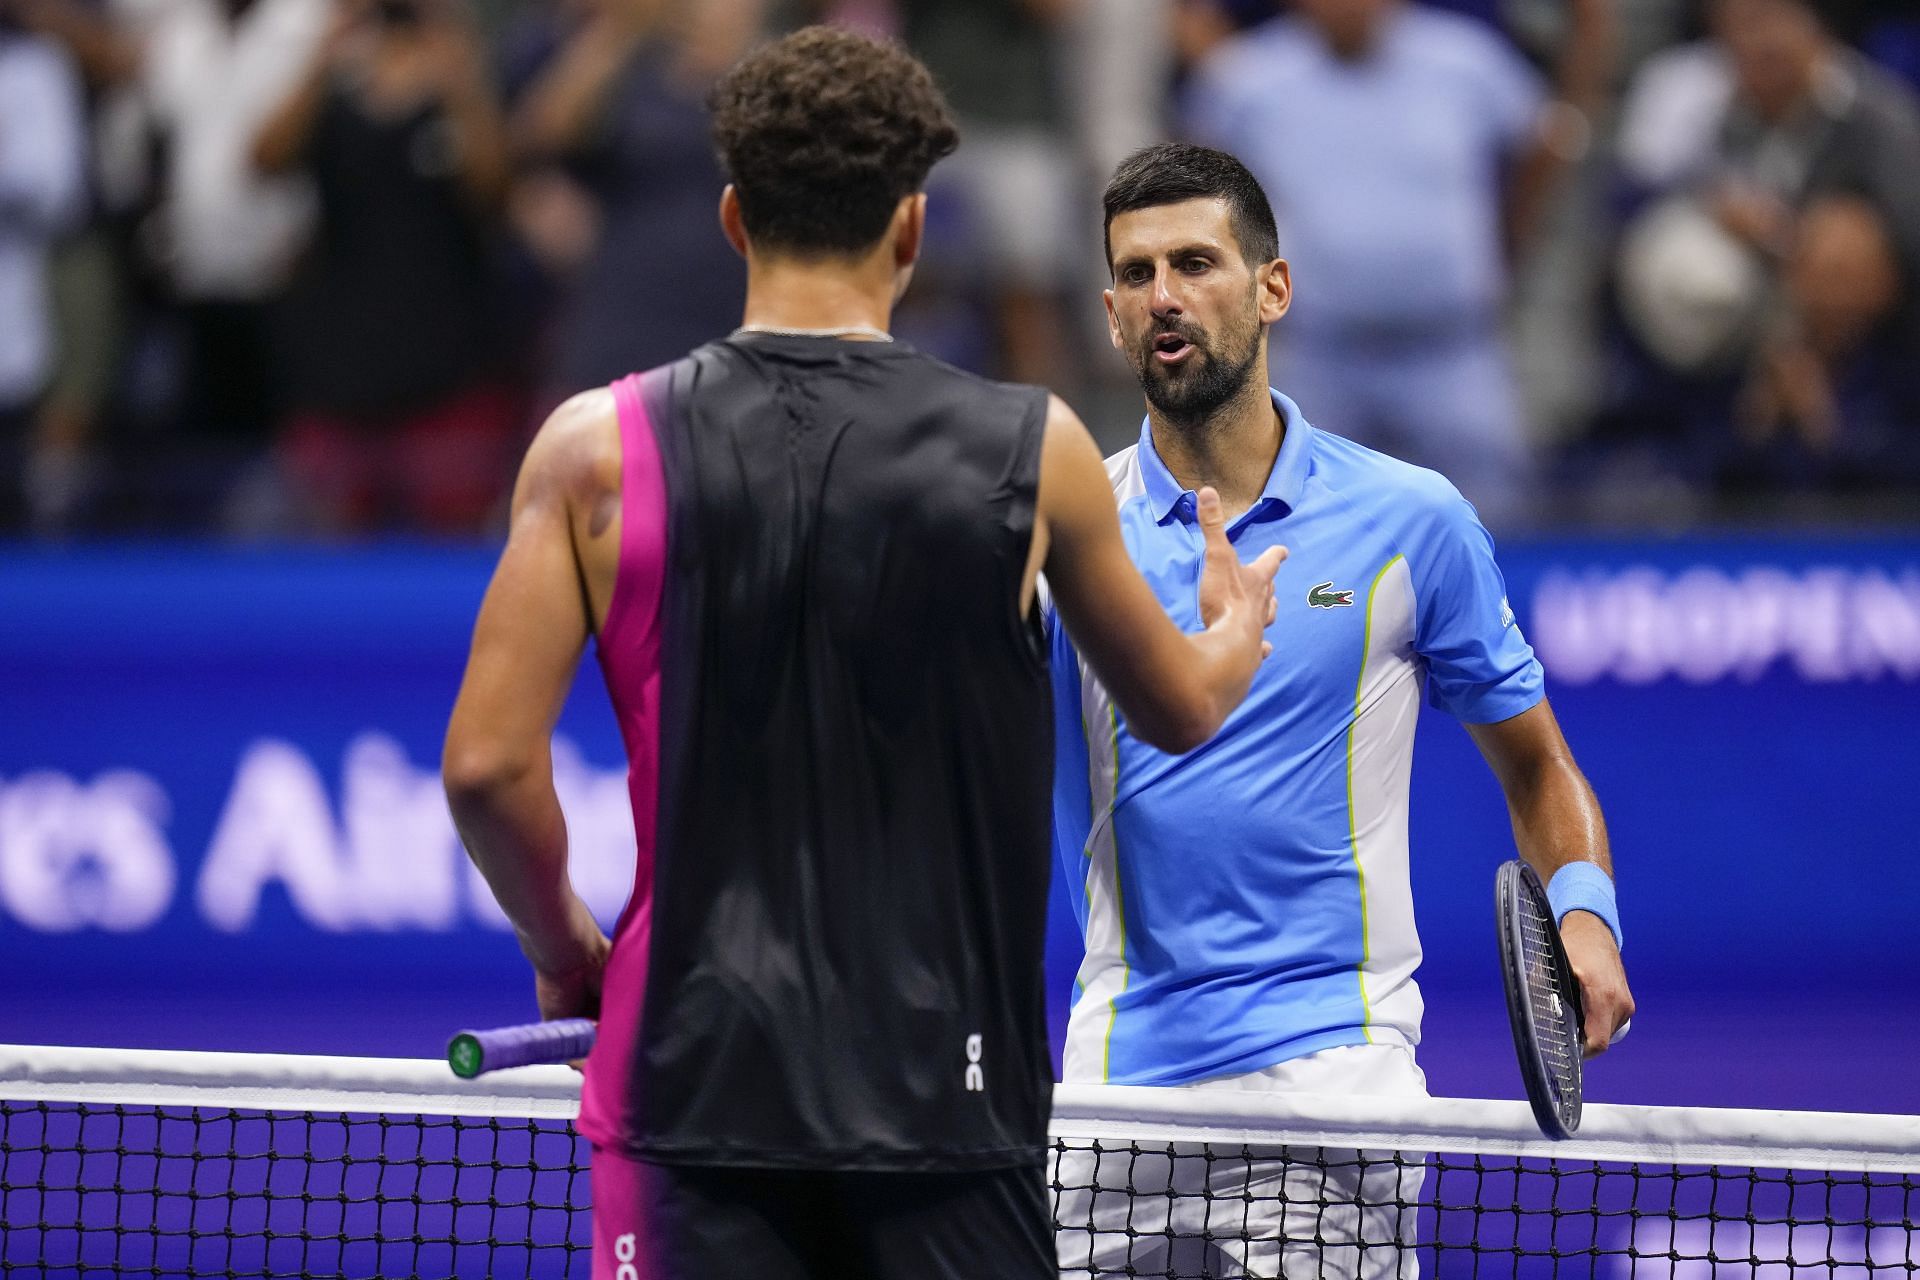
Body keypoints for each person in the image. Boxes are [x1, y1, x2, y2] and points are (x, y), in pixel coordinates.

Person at [441, 29, 1283, 1280]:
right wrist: (1236, 627)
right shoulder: (1031, 445)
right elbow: (1179, 708)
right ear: (912, 228)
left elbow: (488, 770)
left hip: (686, 1083)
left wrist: (568, 954)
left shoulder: (591, 450)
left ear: (733, 219)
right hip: (948, 1099)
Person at [1047, 143, 1634, 1279]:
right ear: (1113, 316)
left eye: (1196, 261)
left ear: (1272, 288)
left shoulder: (1413, 519)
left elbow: (1537, 766)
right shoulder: (1062, 530)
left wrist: (1587, 912)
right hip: (1116, 1076)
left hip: (1332, 1080)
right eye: (1137, 272)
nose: (1165, 293)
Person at [1184, 0, 1614, 524]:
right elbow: (1198, 190)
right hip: (1319, 355)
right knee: (1301, 532)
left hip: (1452, 351)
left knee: (1492, 526)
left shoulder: (1464, 61)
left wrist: (1508, 244)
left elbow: (1544, 142)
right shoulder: (1248, 79)